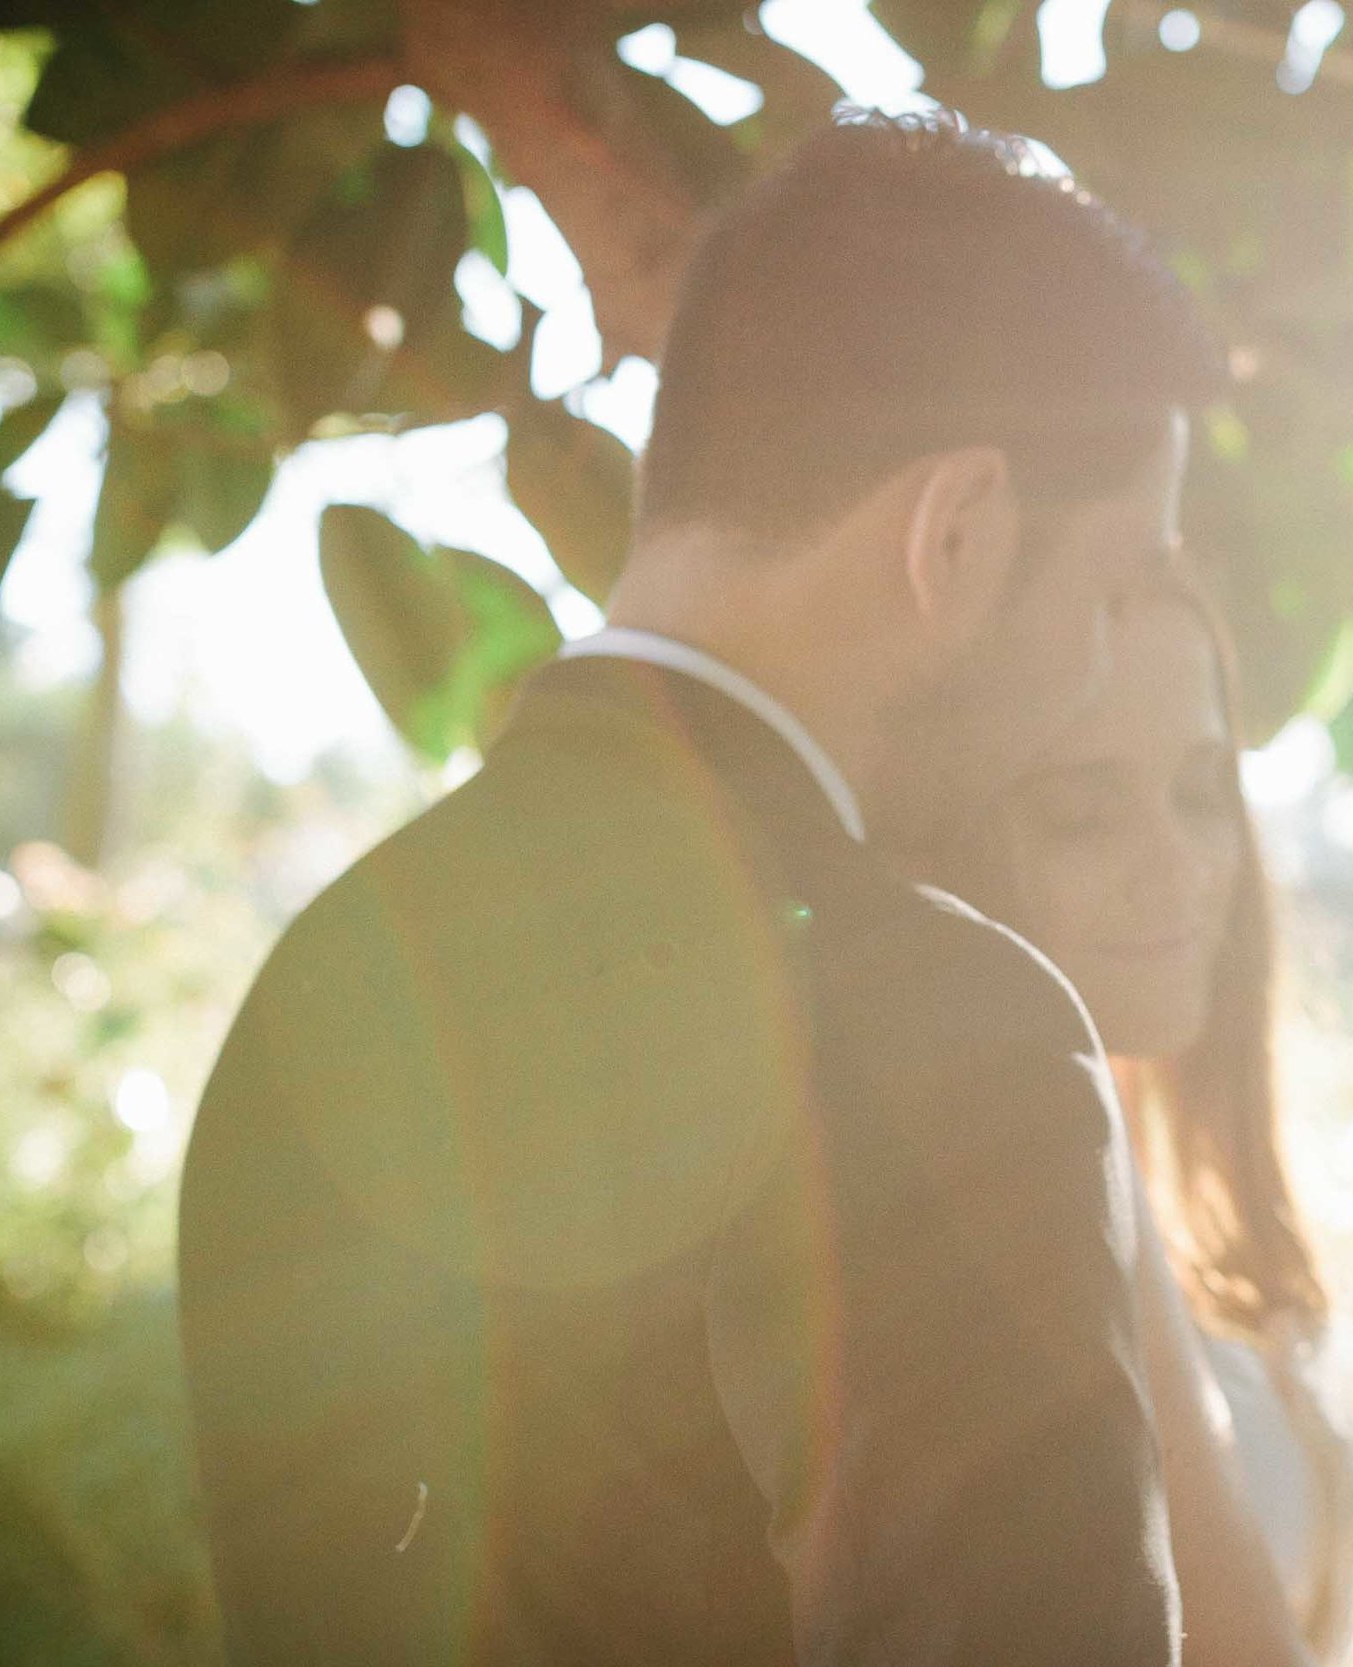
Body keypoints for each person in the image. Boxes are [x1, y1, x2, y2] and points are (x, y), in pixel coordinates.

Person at [176, 110, 1230, 1665]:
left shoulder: (329, 970)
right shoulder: (952, 1021)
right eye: (1109, 584)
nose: (1090, 672)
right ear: (958, 530)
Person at [903, 581, 1353, 1667]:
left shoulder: (1188, 1186)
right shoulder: (987, 1227)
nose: (1174, 860)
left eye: (1200, 789)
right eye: (1081, 811)